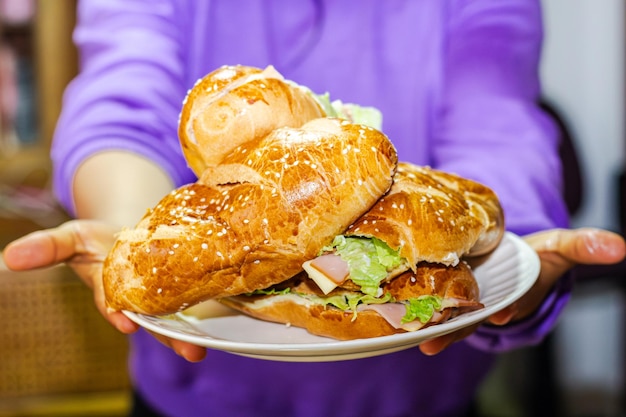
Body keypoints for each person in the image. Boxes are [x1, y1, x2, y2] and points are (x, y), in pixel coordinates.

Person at [3, 1, 626, 416]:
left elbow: (499, 125)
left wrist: (505, 267)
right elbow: (121, 99)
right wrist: (134, 231)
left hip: (418, 397)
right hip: (196, 397)